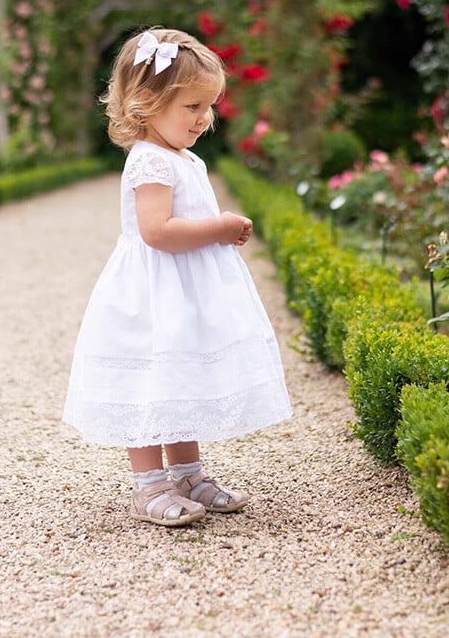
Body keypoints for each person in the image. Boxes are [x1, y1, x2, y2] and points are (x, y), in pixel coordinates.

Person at [63, 27, 292, 526]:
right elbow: (157, 231)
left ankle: (188, 474)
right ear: (146, 102)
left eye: (209, 106)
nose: (205, 118)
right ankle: (148, 486)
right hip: (152, 293)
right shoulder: (148, 160)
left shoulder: (182, 157)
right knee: (148, 379)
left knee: (178, 377)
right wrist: (221, 227)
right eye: (192, 107)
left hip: (180, 292)